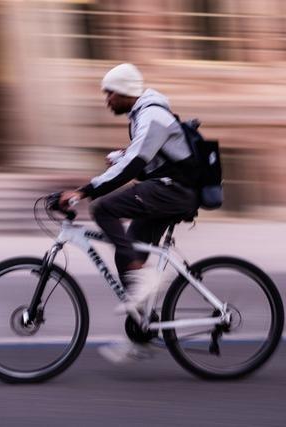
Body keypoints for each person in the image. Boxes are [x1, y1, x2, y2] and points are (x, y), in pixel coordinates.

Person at [59, 63, 199, 362]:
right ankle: (142, 333)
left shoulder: (152, 114)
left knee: (103, 208)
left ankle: (144, 278)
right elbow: (146, 156)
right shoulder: (142, 116)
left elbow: (136, 163)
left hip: (174, 190)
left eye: (109, 92)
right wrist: (122, 157)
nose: (106, 99)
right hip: (164, 188)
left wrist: (84, 191)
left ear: (124, 91)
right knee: (127, 252)